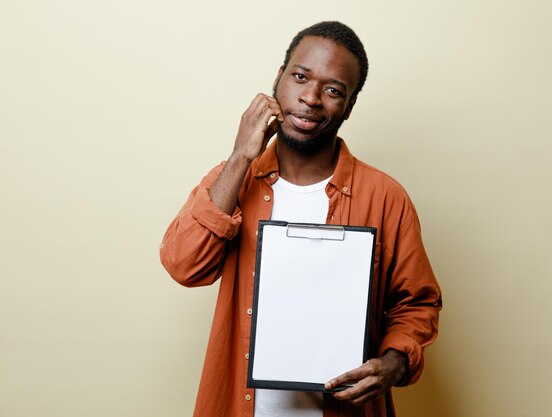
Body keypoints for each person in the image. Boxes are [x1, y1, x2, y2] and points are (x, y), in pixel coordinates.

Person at [160, 21, 442, 417]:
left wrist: (393, 363)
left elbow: (417, 304)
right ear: (278, 79)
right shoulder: (232, 180)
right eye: (300, 77)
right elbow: (183, 265)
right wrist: (242, 155)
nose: (310, 98)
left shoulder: (386, 197)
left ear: (350, 104)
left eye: (332, 90)